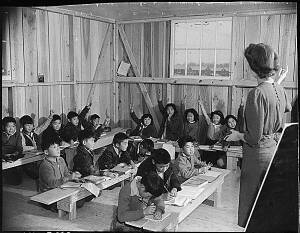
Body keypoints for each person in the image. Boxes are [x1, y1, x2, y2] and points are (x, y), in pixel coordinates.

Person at [225, 43, 292, 227]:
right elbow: (287, 107)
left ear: (254, 68)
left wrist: (237, 135)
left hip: (257, 156)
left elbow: (253, 138)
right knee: (266, 202)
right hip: (273, 151)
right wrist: (278, 82)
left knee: (253, 206)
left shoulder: (256, 94)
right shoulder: (279, 89)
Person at [38, 139, 82, 212]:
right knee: (75, 203)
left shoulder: (61, 159)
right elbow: (52, 184)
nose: (58, 149)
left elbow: (66, 173)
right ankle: (51, 206)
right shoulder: (45, 165)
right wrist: (68, 178)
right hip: (50, 193)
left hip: (61, 188)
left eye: (58, 147)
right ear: (46, 152)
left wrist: (74, 177)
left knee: (81, 197)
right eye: (54, 147)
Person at [198, 99, 226, 168]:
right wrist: (201, 105)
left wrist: (217, 144)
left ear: (221, 118)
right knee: (206, 157)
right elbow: (205, 115)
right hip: (208, 142)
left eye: (217, 118)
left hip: (217, 143)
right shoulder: (210, 123)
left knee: (214, 159)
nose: (215, 119)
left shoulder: (223, 127)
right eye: (213, 118)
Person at [2, 116, 23, 185]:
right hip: (3, 156)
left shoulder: (17, 135)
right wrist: (4, 155)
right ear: (4, 127)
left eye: (13, 126)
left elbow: (19, 148)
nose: (11, 129)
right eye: (8, 126)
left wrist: (14, 154)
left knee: (17, 181)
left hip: (13, 155)